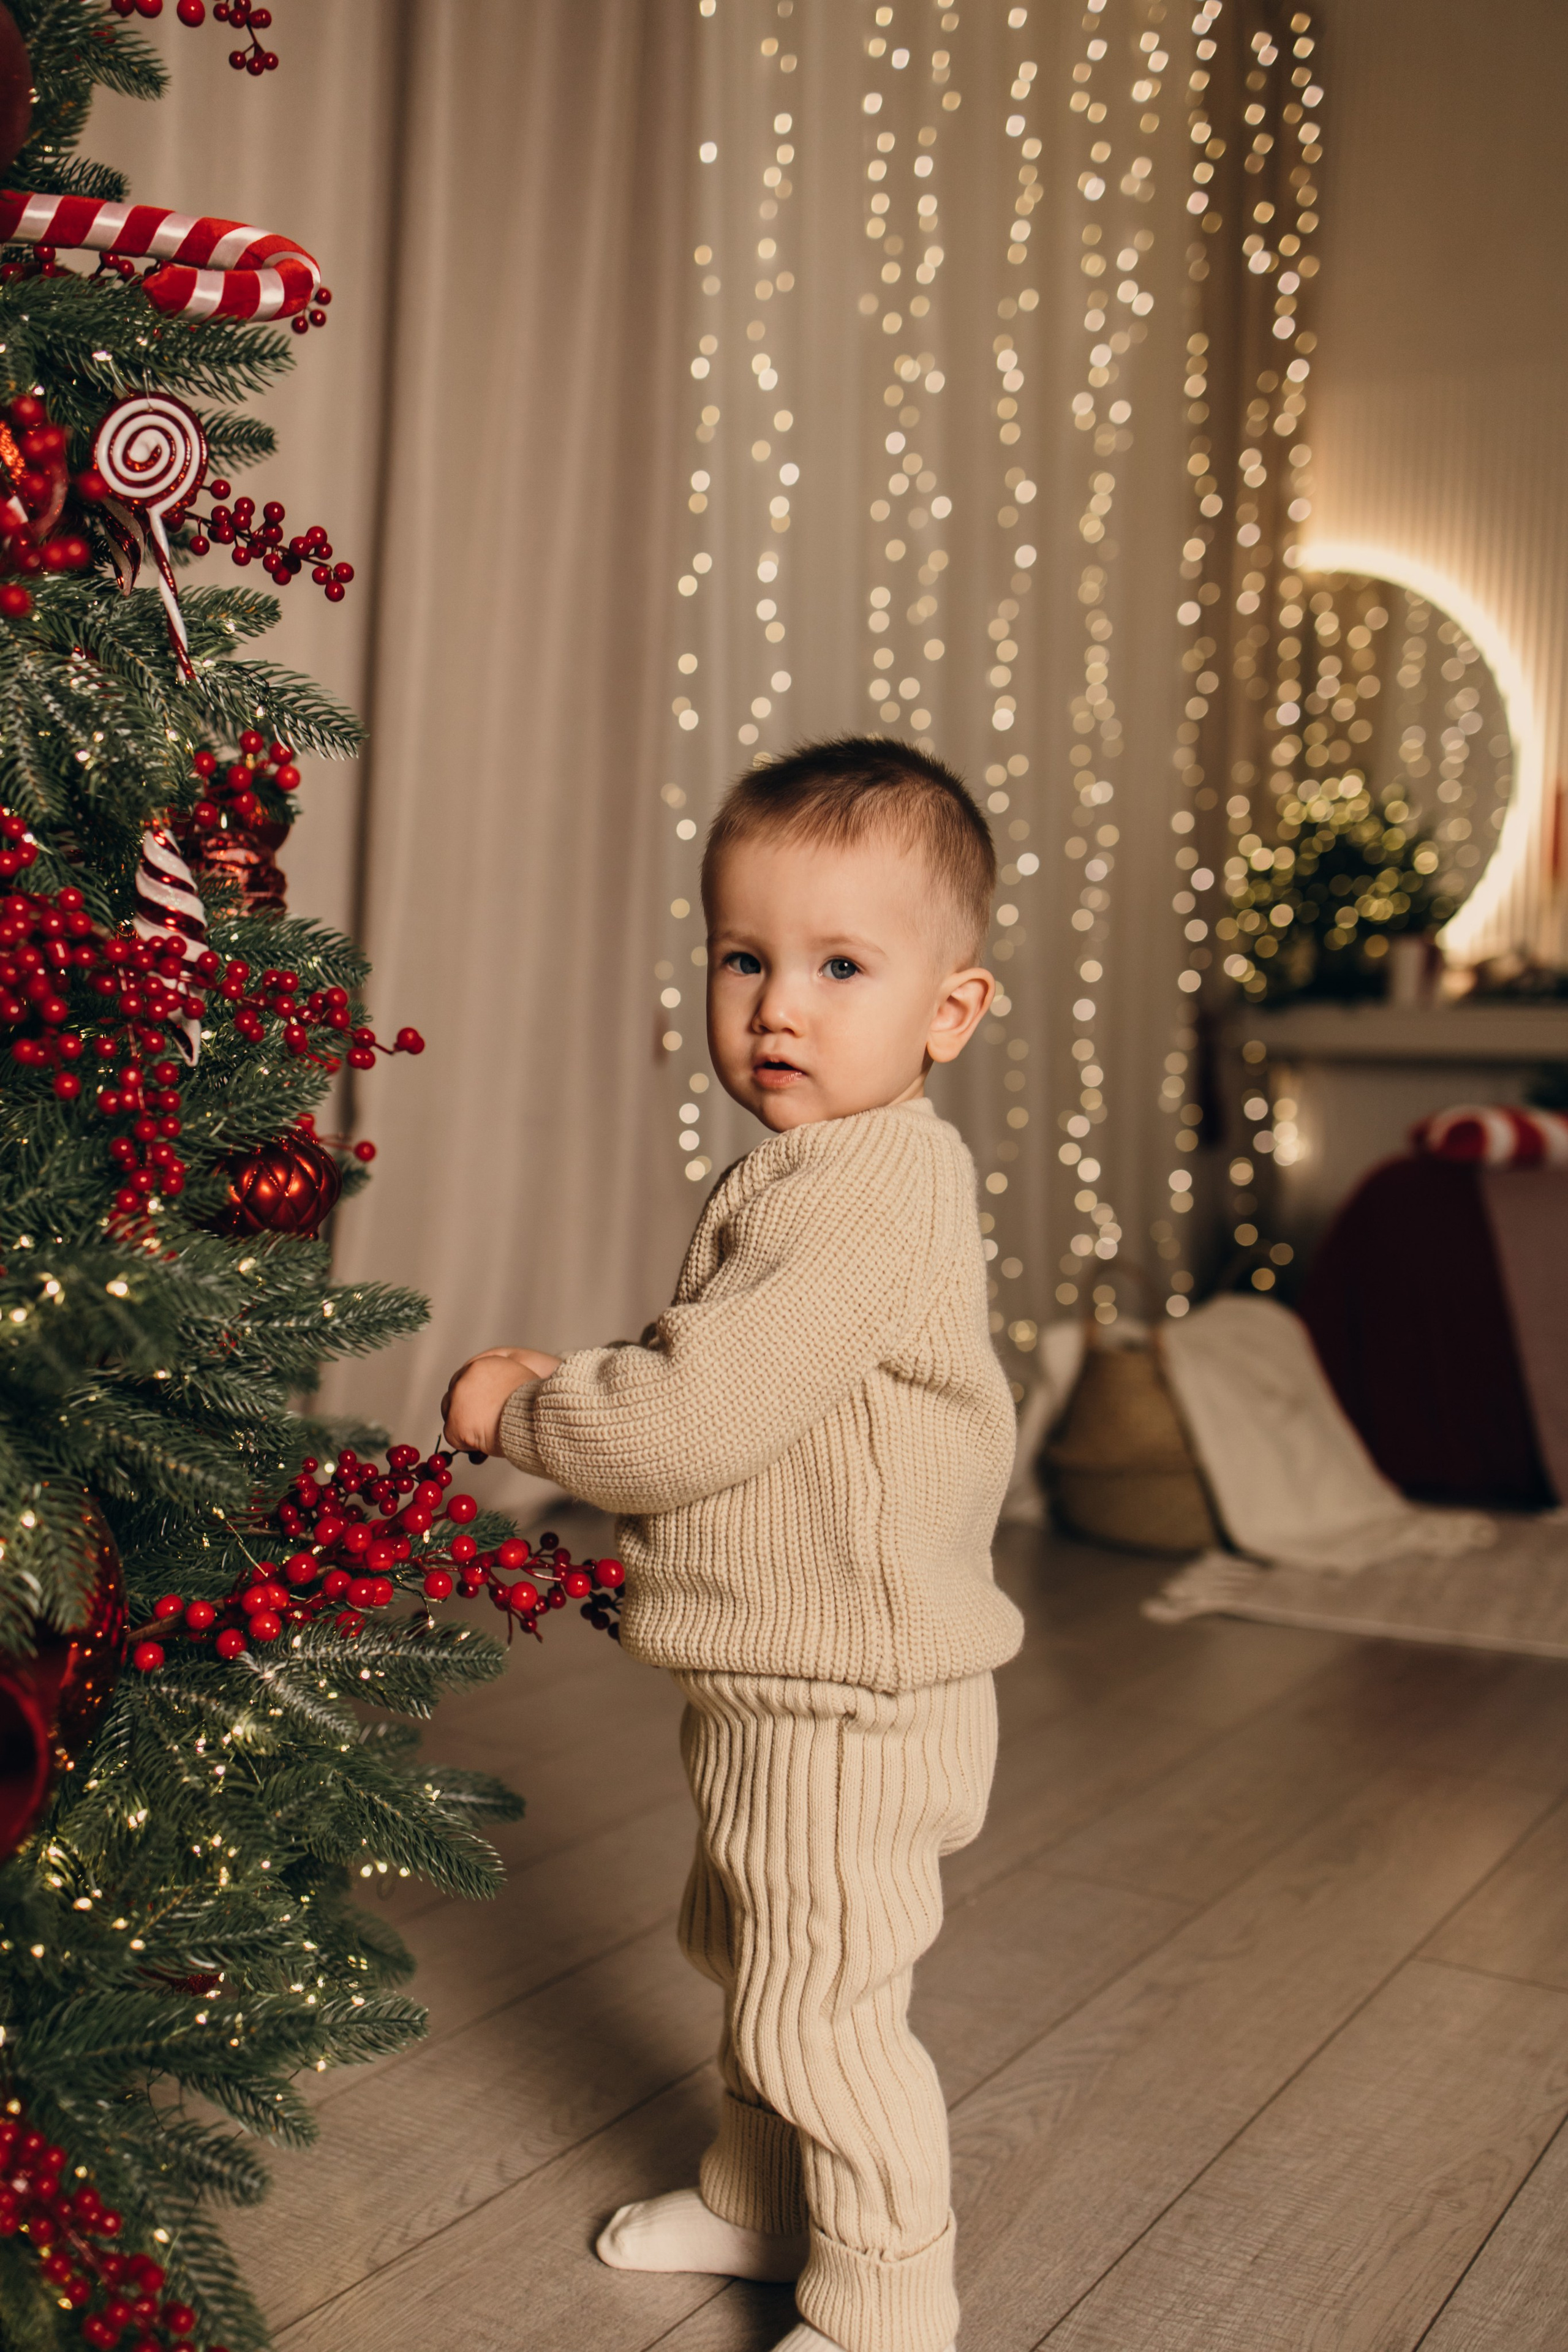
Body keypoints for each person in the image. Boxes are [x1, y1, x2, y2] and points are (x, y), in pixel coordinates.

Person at [442, 737, 1024, 2352]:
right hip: (786, 1679)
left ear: (947, 1012)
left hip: (852, 1702)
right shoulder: (820, 1170)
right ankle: (766, 2205)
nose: (780, 1004)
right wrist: (608, 1380)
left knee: (819, 2004)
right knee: (751, 1947)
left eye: (843, 966)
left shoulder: (858, 1191)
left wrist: (529, 1413)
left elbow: (693, 1419)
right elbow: (741, 1384)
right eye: (746, 958)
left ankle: (889, 2304)